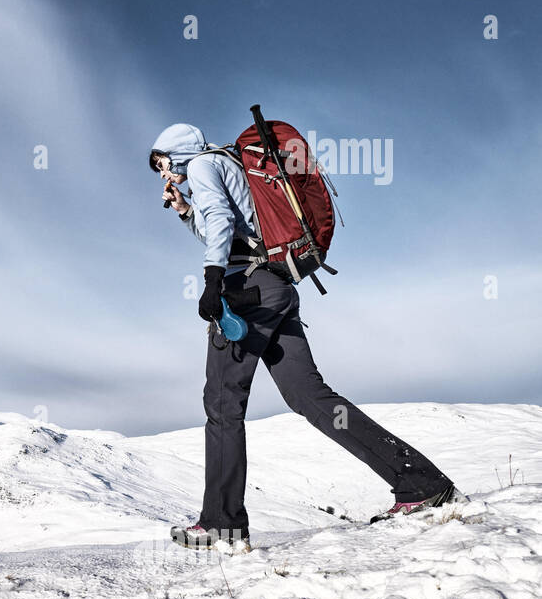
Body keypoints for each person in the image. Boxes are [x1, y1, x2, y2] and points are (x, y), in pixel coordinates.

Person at [149, 123, 462, 549]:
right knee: (310, 397)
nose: (164, 173)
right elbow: (232, 230)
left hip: (249, 293)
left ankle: (222, 525)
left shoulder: (202, 164)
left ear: (178, 152)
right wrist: (186, 212)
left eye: (163, 163)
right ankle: (422, 483)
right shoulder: (226, 163)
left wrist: (212, 279)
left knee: (223, 403)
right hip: (277, 287)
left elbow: (222, 223)